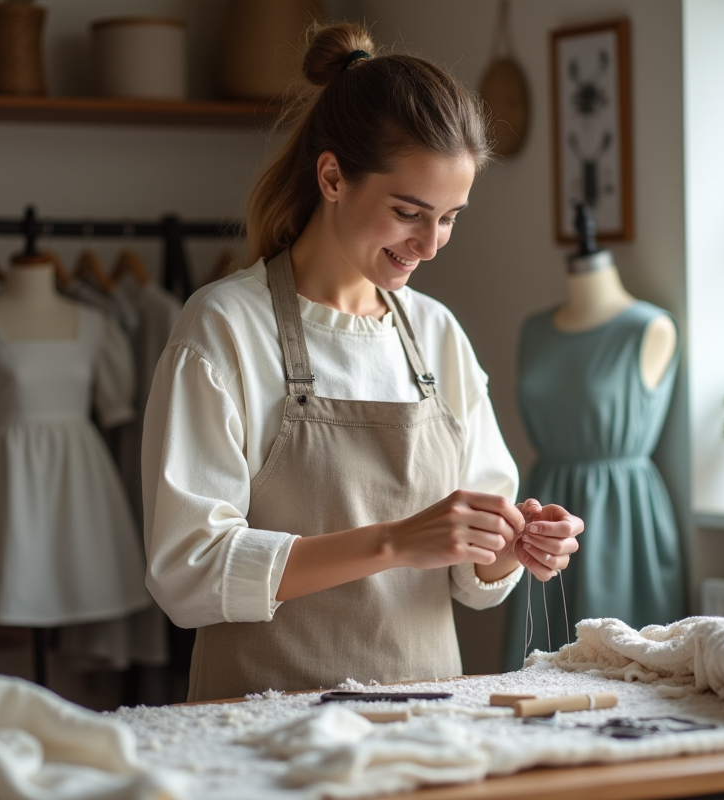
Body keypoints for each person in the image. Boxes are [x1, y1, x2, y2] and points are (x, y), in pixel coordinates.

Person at [141, 21, 585, 702]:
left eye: (450, 217)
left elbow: (475, 585)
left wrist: (511, 546)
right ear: (332, 177)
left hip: (427, 725)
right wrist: (394, 543)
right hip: (264, 730)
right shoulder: (225, 328)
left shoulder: (437, 335)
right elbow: (187, 570)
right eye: (409, 212)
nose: (430, 245)